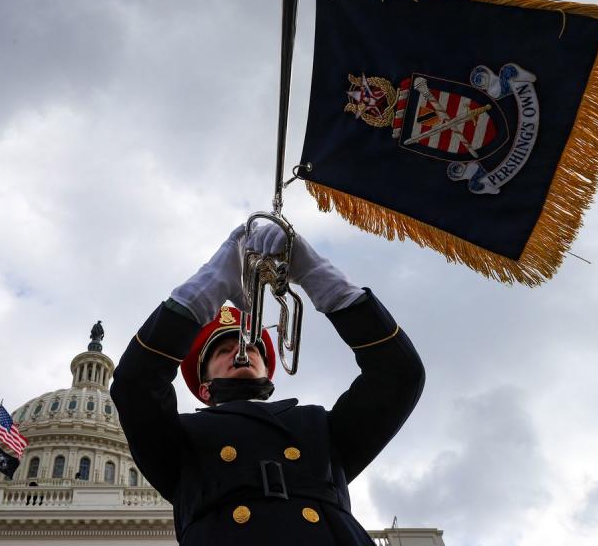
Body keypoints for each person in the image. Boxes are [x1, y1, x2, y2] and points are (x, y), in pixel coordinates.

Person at [110, 224, 425, 545]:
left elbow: (398, 376)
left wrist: (322, 280)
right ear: (204, 388)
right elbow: (135, 386)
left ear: (267, 372)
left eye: (253, 347)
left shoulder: (320, 428)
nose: (241, 349)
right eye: (223, 350)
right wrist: (199, 296)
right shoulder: (180, 439)